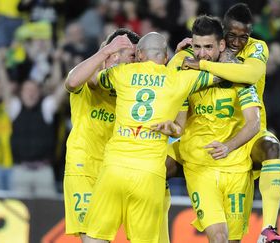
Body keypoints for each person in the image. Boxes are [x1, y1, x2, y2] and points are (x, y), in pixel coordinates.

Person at [82, 31, 255, 243]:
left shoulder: (122, 73)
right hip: (149, 173)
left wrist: (105, 51)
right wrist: (197, 59)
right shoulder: (179, 79)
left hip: (114, 167)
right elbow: (233, 74)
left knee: (94, 237)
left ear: (139, 55)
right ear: (165, 59)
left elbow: (91, 81)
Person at [179, 3, 280, 242]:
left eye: (244, 37)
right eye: (232, 36)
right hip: (204, 140)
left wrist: (202, 64)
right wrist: (183, 55)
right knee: (160, 164)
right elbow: (172, 74)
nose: (238, 42)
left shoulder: (257, 48)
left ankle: (269, 228)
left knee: (272, 147)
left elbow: (249, 75)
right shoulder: (203, 50)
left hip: (246, 136)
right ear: (222, 34)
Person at [168, 15, 262, 243]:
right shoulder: (187, 72)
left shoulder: (238, 74)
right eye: (197, 47)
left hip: (237, 167)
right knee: (218, 237)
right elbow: (175, 113)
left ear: (221, 45)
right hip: (200, 166)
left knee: (232, 240)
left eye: (208, 47)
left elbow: (254, 122)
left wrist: (228, 147)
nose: (202, 54)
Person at [63, 29, 139, 241]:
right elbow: (71, 82)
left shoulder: (131, 89)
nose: (118, 58)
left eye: (131, 56)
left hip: (114, 172)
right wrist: (106, 51)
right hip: (83, 168)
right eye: (116, 53)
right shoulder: (88, 79)